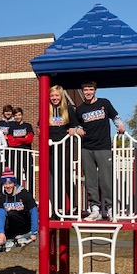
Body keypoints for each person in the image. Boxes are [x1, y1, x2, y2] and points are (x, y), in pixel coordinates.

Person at [76, 80, 125, 221]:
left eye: (90, 89)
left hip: (103, 147)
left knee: (106, 180)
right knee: (90, 180)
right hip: (87, 148)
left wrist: (120, 126)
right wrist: (78, 129)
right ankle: (95, 209)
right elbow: (77, 125)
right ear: (83, 91)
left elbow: (115, 117)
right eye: (85, 90)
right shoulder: (80, 109)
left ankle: (110, 209)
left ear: (95, 90)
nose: (88, 92)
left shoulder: (104, 103)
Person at [48, 85, 78, 216]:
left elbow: (75, 125)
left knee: (65, 176)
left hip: (64, 146)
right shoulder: (46, 110)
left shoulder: (68, 109)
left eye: (56, 95)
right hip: (51, 147)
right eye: (52, 96)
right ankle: (58, 206)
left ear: (61, 96)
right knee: (55, 177)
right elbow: (40, 126)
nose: (54, 98)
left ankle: (73, 204)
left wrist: (73, 129)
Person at [0, 168, 38, 245]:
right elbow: (0, 216)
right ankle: (10, 240)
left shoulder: (25, 194)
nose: (7, 186)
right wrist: (0, 233)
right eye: (5, 184)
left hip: (24, 224)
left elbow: (34, 212)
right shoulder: (2, 197)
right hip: (12, 225)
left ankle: (21, 236)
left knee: (12, 213)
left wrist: (34, 232)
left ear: (14, 183)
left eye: (10, 183)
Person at [7, 107, 35, 191]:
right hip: (15, 154)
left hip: (26, 153)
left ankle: (30, 193)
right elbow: (11, 142)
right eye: (15, 115)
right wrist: (23, 139)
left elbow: (29, 139)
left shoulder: (28, 126)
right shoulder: (11, 126)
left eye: (19, 115)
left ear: (22, 115)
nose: (17, 117)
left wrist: (17, 140)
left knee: (29, 174)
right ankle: (17, 193)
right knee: (16, 174)